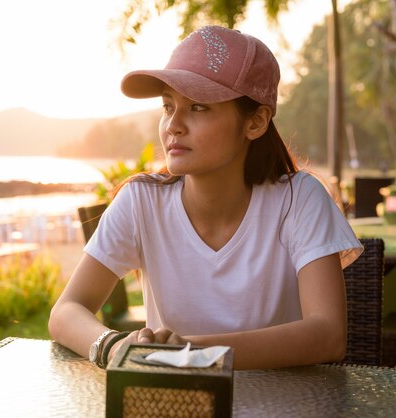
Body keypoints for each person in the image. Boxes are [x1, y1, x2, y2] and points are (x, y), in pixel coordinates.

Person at [48, 25, 363, 370]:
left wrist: (194, 352)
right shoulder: (142, 202)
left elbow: (328, 335)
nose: (173, 125)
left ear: (256, 122)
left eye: (198, 107)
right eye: (168, 107)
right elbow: (65, 312)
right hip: (177, 403)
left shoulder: (299, 199)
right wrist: (111, 346)